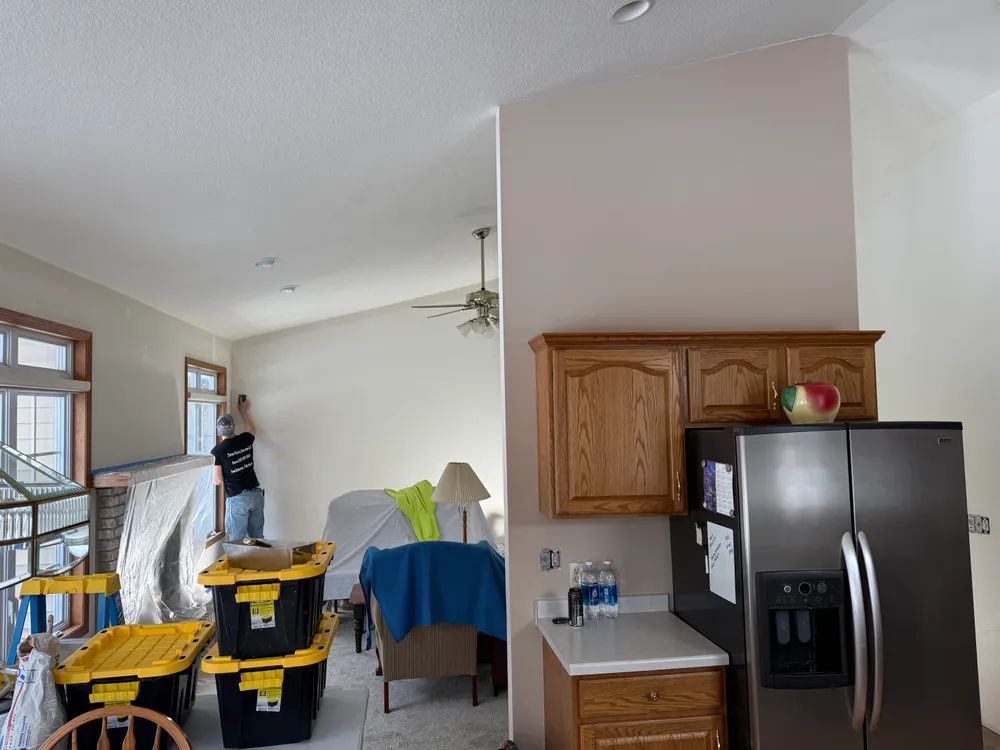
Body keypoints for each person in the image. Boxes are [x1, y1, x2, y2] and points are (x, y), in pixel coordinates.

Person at [211, 399, 265, 540]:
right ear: (233, 427)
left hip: (238, 499)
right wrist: (243, 412)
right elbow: (251, 429)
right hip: (256, 495)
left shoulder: (218, 451)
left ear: (218, 430)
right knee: (258, 539)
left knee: (236, 541)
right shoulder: (245, 439)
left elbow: (217, 480)